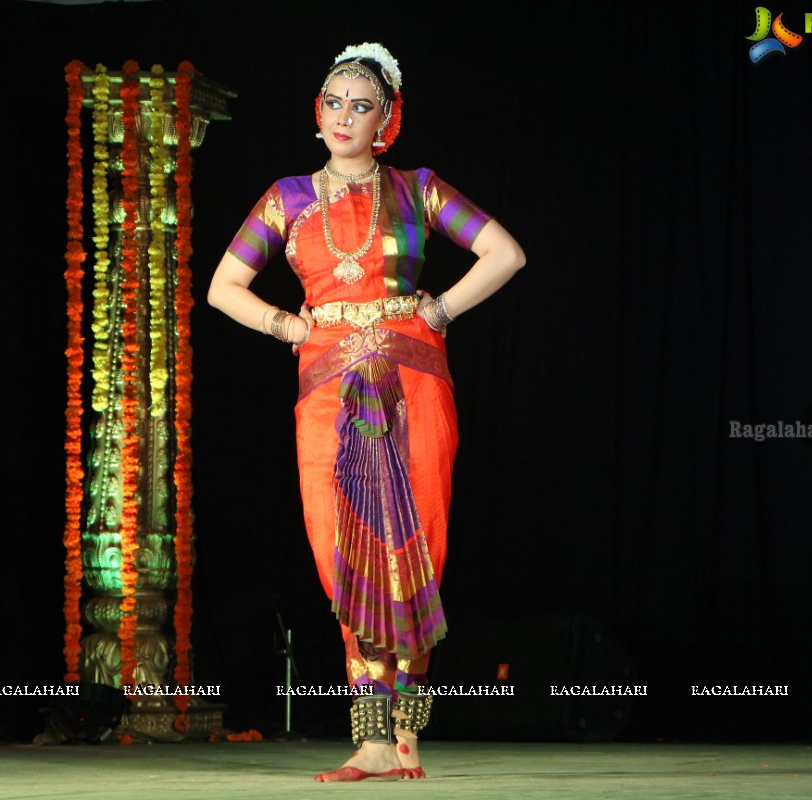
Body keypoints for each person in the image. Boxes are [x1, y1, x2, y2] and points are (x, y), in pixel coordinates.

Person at [207, 42, 525, 781]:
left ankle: (404, 739)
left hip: (412, 375)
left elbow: (504, 253)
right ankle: (370, 736)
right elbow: (224, 287)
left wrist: (440, 309)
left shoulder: (418, 188)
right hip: (325, 386)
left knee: (414, 549)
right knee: (341, 552)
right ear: (316, 114)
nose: (345, 114)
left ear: (386, 120)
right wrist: (289, 326)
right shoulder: (284, 197)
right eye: (334, 101)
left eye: (362, 104)